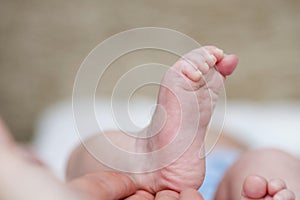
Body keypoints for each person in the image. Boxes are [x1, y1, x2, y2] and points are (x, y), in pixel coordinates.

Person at [0, 46, 298, 200]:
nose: (205, 141)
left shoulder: (234, 157)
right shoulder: (237, 161)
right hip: (232, 187)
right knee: (270, 161)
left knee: (94, 154)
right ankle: (143, 158)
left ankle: (143, 157)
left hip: (140, 188)